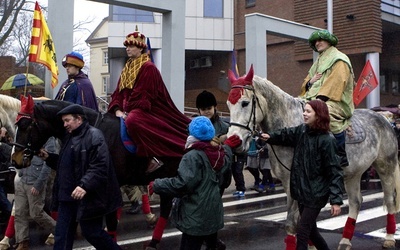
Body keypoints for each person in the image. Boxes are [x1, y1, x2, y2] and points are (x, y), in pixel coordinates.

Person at [260, 100, 344, 250]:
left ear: (319, 115)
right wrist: (270, 136)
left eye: (308, 111)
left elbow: (334, 171)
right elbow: (286, 134)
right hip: (302, 192)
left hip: (316, 194)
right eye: (304, 111)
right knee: (312, 232)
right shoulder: (302, 131)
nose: (304, 114)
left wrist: (336, 200)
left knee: (303, 231)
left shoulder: (327, 140)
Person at [151, 116, 241, 250]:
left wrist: (156, 184)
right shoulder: (219, 152)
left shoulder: (192, 156)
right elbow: (226, 159)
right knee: (211, 245)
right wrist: (227, 146)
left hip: (195, 217)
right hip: (213, 215)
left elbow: (183, 184)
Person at [39, 104, 122, 250]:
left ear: (79, 119)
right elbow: (66, 164)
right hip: (67, 197)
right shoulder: (69, 137)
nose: (64, 125)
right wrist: (49, 158)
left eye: (67, 120)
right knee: (62, 236)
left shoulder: (94, 135)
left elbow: (100, 165)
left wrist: (84, 185)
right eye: (63, 121)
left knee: (92, 233)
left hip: (87, 197)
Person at [107, 29, 190, 173]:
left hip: (147, 109)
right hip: (126, 109)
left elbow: (143, 96)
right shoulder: (127, 67)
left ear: (140, 48)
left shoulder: (148, 68)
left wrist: (128, 112)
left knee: (133, 121)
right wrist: (117, 109)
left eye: (131, 46)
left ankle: (151, 157)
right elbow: (118, 92)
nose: (127, 49)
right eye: (126, 46)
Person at [299, 29, 355, 167]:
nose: (317, 43)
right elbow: (307, 82)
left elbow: (336, 83)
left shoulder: (340, 59)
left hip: (336, 101)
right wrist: (310, 82)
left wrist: (318, 102)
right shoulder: (318, 62)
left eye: (320, 40)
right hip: (313, 99)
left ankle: (340, 154)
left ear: (329, 41)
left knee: (324, 114)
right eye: (315, 41)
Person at [14, 137, 57, 250]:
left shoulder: (49, 139)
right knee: (19, 213)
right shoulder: (27, 136)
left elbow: (48, 164)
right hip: (23, 179)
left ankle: (59, 231)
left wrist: (39, 184)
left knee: (36, 213)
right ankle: (22, 242)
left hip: (35, 181)